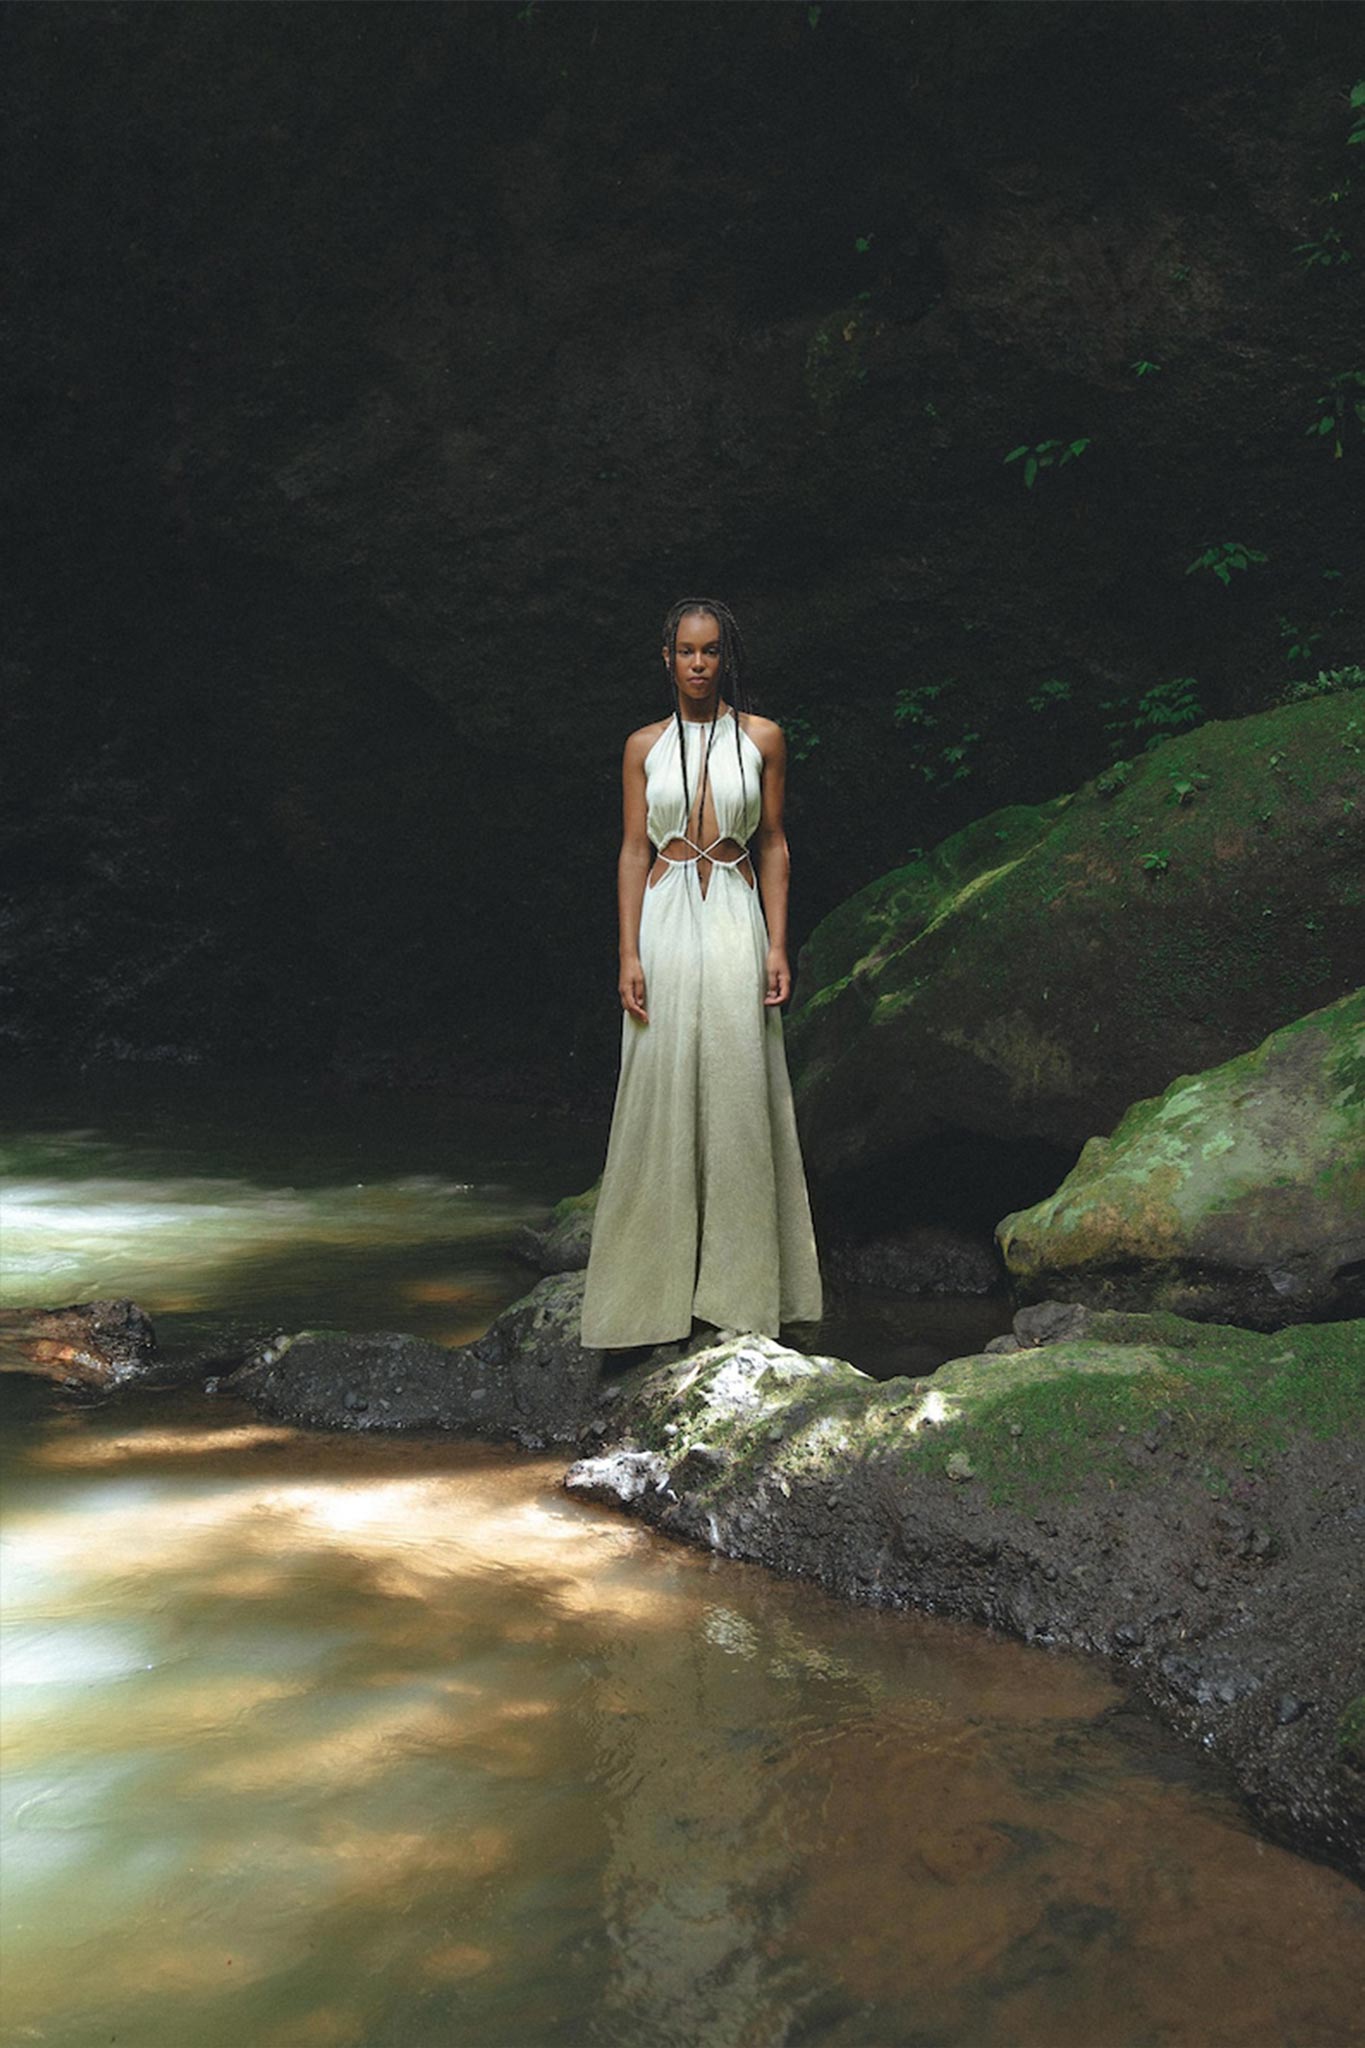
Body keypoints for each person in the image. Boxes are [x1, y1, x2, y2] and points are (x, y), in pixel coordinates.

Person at [579, 598, 823, 1349]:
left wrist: (778, 945)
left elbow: (775, 843)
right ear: (665, 658)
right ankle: (644, 1300)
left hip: (735, 913)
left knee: (739, 1081)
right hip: (664, 913)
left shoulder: (763, 738)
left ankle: (742, 1295)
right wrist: (627, 953)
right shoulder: (641, 746)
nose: (697, 663)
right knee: (658, 1083)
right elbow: (630, 850)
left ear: (725, 659)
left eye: (710, 651)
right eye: (685, 651)